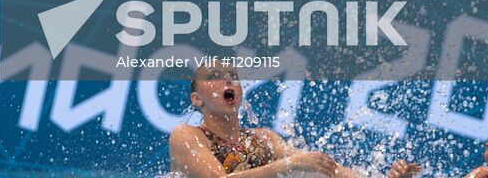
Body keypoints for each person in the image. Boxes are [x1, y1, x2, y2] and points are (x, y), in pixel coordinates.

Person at [169, 60, 421, 178]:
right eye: (214, 76)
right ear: (196, 99)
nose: (227, 80)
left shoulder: (264, 138)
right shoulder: (187, 136)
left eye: (232, 76)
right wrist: (287, 165)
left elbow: (327, 170)